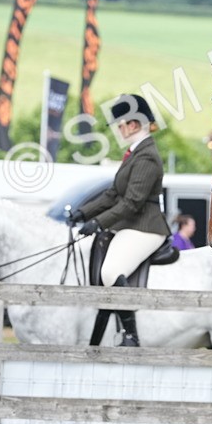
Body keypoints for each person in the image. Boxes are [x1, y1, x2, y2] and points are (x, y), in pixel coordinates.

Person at [67, 94, 170, 346]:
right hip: (131, 224)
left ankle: (130, 335)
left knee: (112, 270)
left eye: (119, 125)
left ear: (133, 124)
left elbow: (131, 202)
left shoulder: (146, 156)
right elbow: (114, 193)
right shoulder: (134, 153)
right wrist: (83, 212)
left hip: (145, 226)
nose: (118, 130)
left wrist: (99, 222)